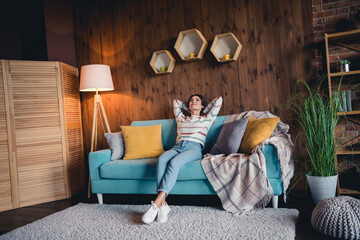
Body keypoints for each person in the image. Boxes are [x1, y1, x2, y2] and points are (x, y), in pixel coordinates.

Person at [142, 94, 223, 224]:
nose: (193, 101)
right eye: (191, 100)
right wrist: (189, 107)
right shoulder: (182, 118)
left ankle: (156, 204)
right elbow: (175, 102)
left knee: (174, 163)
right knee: (162, 159)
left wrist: (203, 109)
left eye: (197, 100)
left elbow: (219, 100)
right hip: (178, 147)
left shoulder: (207, 119)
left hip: (194, 148)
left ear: (202, 105)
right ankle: (163, 206)